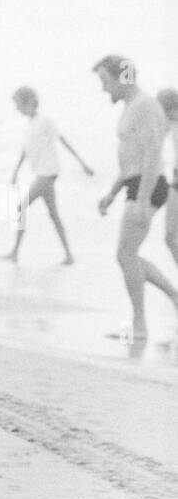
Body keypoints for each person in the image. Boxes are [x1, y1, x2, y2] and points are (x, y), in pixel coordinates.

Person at [93, 55, 178, 343]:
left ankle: (140, 326)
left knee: (125, 254)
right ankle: (167, 304)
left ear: (122, 77)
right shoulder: (133, 106)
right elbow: (132, 157)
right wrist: (112, 193)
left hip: (147, 186)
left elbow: (154, 153)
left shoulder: (145, 105)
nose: (104, 89)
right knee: (127, 255)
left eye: (105, 81)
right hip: (135, 184)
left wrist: (141, 200)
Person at [0, 86, 93, 265]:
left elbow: (63, 141)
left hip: (48, 174)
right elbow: (25, 150)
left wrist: (83, 164)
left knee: (20, 208)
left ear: (29, 103)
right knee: (54, 216)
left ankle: (15, 253)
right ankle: (68, 255)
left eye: (18, 104)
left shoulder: (45, 121)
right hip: (43, 173)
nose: (17, 108)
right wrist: (15, 172)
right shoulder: (31, 124)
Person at [158, 88, 178, 272]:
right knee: (170, 237)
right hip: (176, 180)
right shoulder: (170, 122)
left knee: (171, 237)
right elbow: (154, 142)